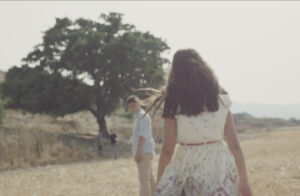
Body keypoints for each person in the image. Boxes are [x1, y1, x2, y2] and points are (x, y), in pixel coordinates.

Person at [143, 49, 252, 196]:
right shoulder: (220, 101)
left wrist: (160, 186)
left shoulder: (173, 103)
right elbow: (234, 145)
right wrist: (244, 182)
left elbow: (168, 149)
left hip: (186, 164)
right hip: (219, 165)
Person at [127, 95, 156, 196]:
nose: (132, 109)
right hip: (144, 151)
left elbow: (142, 136)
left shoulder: (142, 116)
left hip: (144, 151)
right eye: (130, 107)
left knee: (144, 180)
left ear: (139, 103)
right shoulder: (138, 117)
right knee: (149, 177)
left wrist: (138, 153)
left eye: (134, 106)